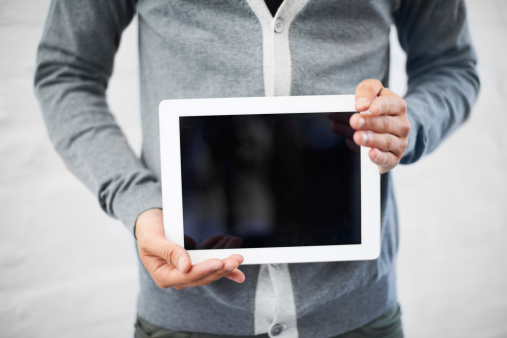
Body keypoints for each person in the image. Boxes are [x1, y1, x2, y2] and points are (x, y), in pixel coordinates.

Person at [34, 0, 479, 337]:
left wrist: (408, 126)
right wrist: (138, 202)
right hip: (186, 320)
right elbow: (66, 72)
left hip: (356, 315)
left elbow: (451, 66)